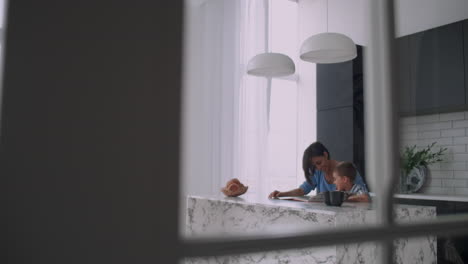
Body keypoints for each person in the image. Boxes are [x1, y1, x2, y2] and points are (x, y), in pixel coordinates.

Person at [268, 141, 368, 199]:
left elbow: (363, 194)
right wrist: (281, 194)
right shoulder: (318, 173)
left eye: (319, 163)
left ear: (325, 155)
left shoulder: (346, 169)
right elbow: (301, 190)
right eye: (315, 165)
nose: (318, 168)